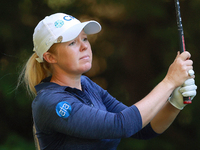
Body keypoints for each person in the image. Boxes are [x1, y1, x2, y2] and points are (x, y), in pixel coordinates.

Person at [19, 13, 197, 150]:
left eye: (85, 39)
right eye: (72, 43)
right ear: (50, 57)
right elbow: (122, 125)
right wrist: (169, 82)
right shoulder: (50, 102)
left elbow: (142, 129)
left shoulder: (87, 85)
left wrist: (174, 103)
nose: (84, 46)